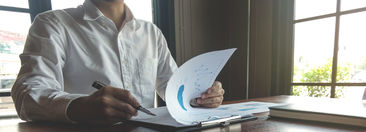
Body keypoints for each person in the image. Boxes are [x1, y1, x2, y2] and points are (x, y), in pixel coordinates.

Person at [11, 0, 225, 124]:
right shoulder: (53, 24)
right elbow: (27, 96)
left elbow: (173, 88)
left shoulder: (150, 32)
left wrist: (200, 97)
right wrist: (80, 106)